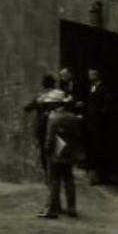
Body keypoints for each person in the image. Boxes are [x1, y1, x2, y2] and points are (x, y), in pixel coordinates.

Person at [39, 89, 84, 219]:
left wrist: (47, 150)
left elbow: (49, 138)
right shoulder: (73, 117)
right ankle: (72, 207)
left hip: (56, 153)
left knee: (54, 181)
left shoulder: (53, 118)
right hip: (69, 152)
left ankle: (52, 209)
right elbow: (78, 135)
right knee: (69, 180)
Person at [23, 73, 57, 173]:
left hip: (43, 126)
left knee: (43, 149)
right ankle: (56, 172)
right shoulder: (60, 94)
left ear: (43, 84)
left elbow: (27, 108)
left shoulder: (40, 97)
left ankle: (47, 172)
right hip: (57, 125)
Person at [85, 68, 112, 185]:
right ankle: (94, 176)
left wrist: (98, 116)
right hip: (91, 124)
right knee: (93, 150)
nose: (90, 77)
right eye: (89, 74)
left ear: (97, 75)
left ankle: (101, 176)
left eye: (92, 74)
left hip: (99, 124)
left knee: (100, 150)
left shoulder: (104, 88)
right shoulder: (91, 87)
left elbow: (106, 106)